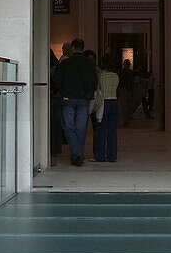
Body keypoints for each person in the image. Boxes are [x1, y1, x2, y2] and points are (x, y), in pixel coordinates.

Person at [51, 38, 97, 167]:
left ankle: (76, 154)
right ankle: (78, 154)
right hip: (83, 99)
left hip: (67, 98)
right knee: (81, 128)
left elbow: (57, 80)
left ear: (72, 48)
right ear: (82, 48)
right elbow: (94, 81)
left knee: (68, 127)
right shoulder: (88, 64)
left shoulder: (66, 63)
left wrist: (59, 91)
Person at [94, 53, 121, 162]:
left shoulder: (100, 75)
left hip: (104, 103)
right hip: (114, 102)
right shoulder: (116, 76)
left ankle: (100, 156)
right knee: (112, 131)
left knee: (101, 131)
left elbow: (97, 89)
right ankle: (112, 156)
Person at [117, 58, 138, 126]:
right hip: (123, 89)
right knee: (124, 105)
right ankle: (126, 119)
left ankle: (127, 118)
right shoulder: (121, 72)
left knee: (130, 105)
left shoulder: (131, 72)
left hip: (129, 90)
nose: (127, 65)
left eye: (128, 64)